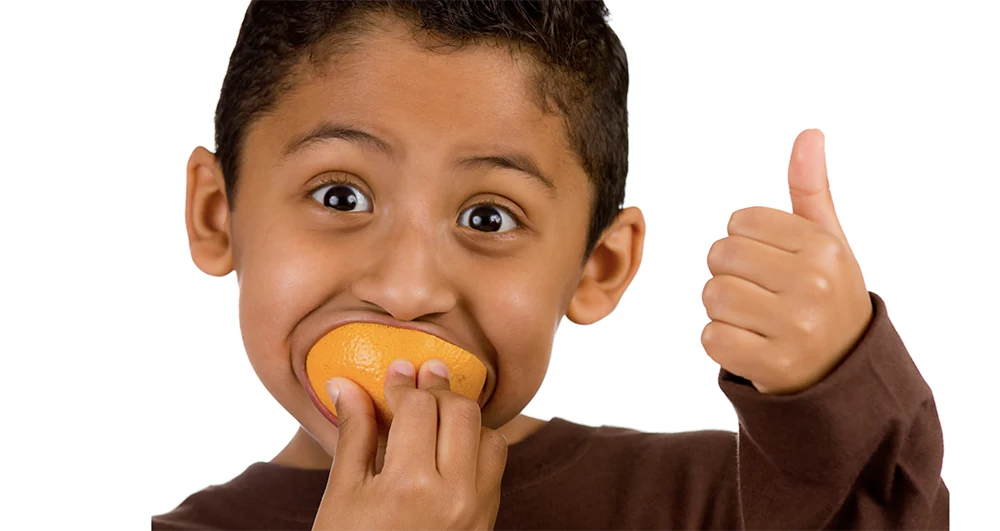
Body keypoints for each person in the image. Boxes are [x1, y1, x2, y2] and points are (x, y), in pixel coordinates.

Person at [153, 0, 947, 529]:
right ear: (216, 212)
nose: (405, 289)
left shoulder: (716, 504)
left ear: (598, 266)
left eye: (487, 217)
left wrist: (834, 395)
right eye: (338, 196)